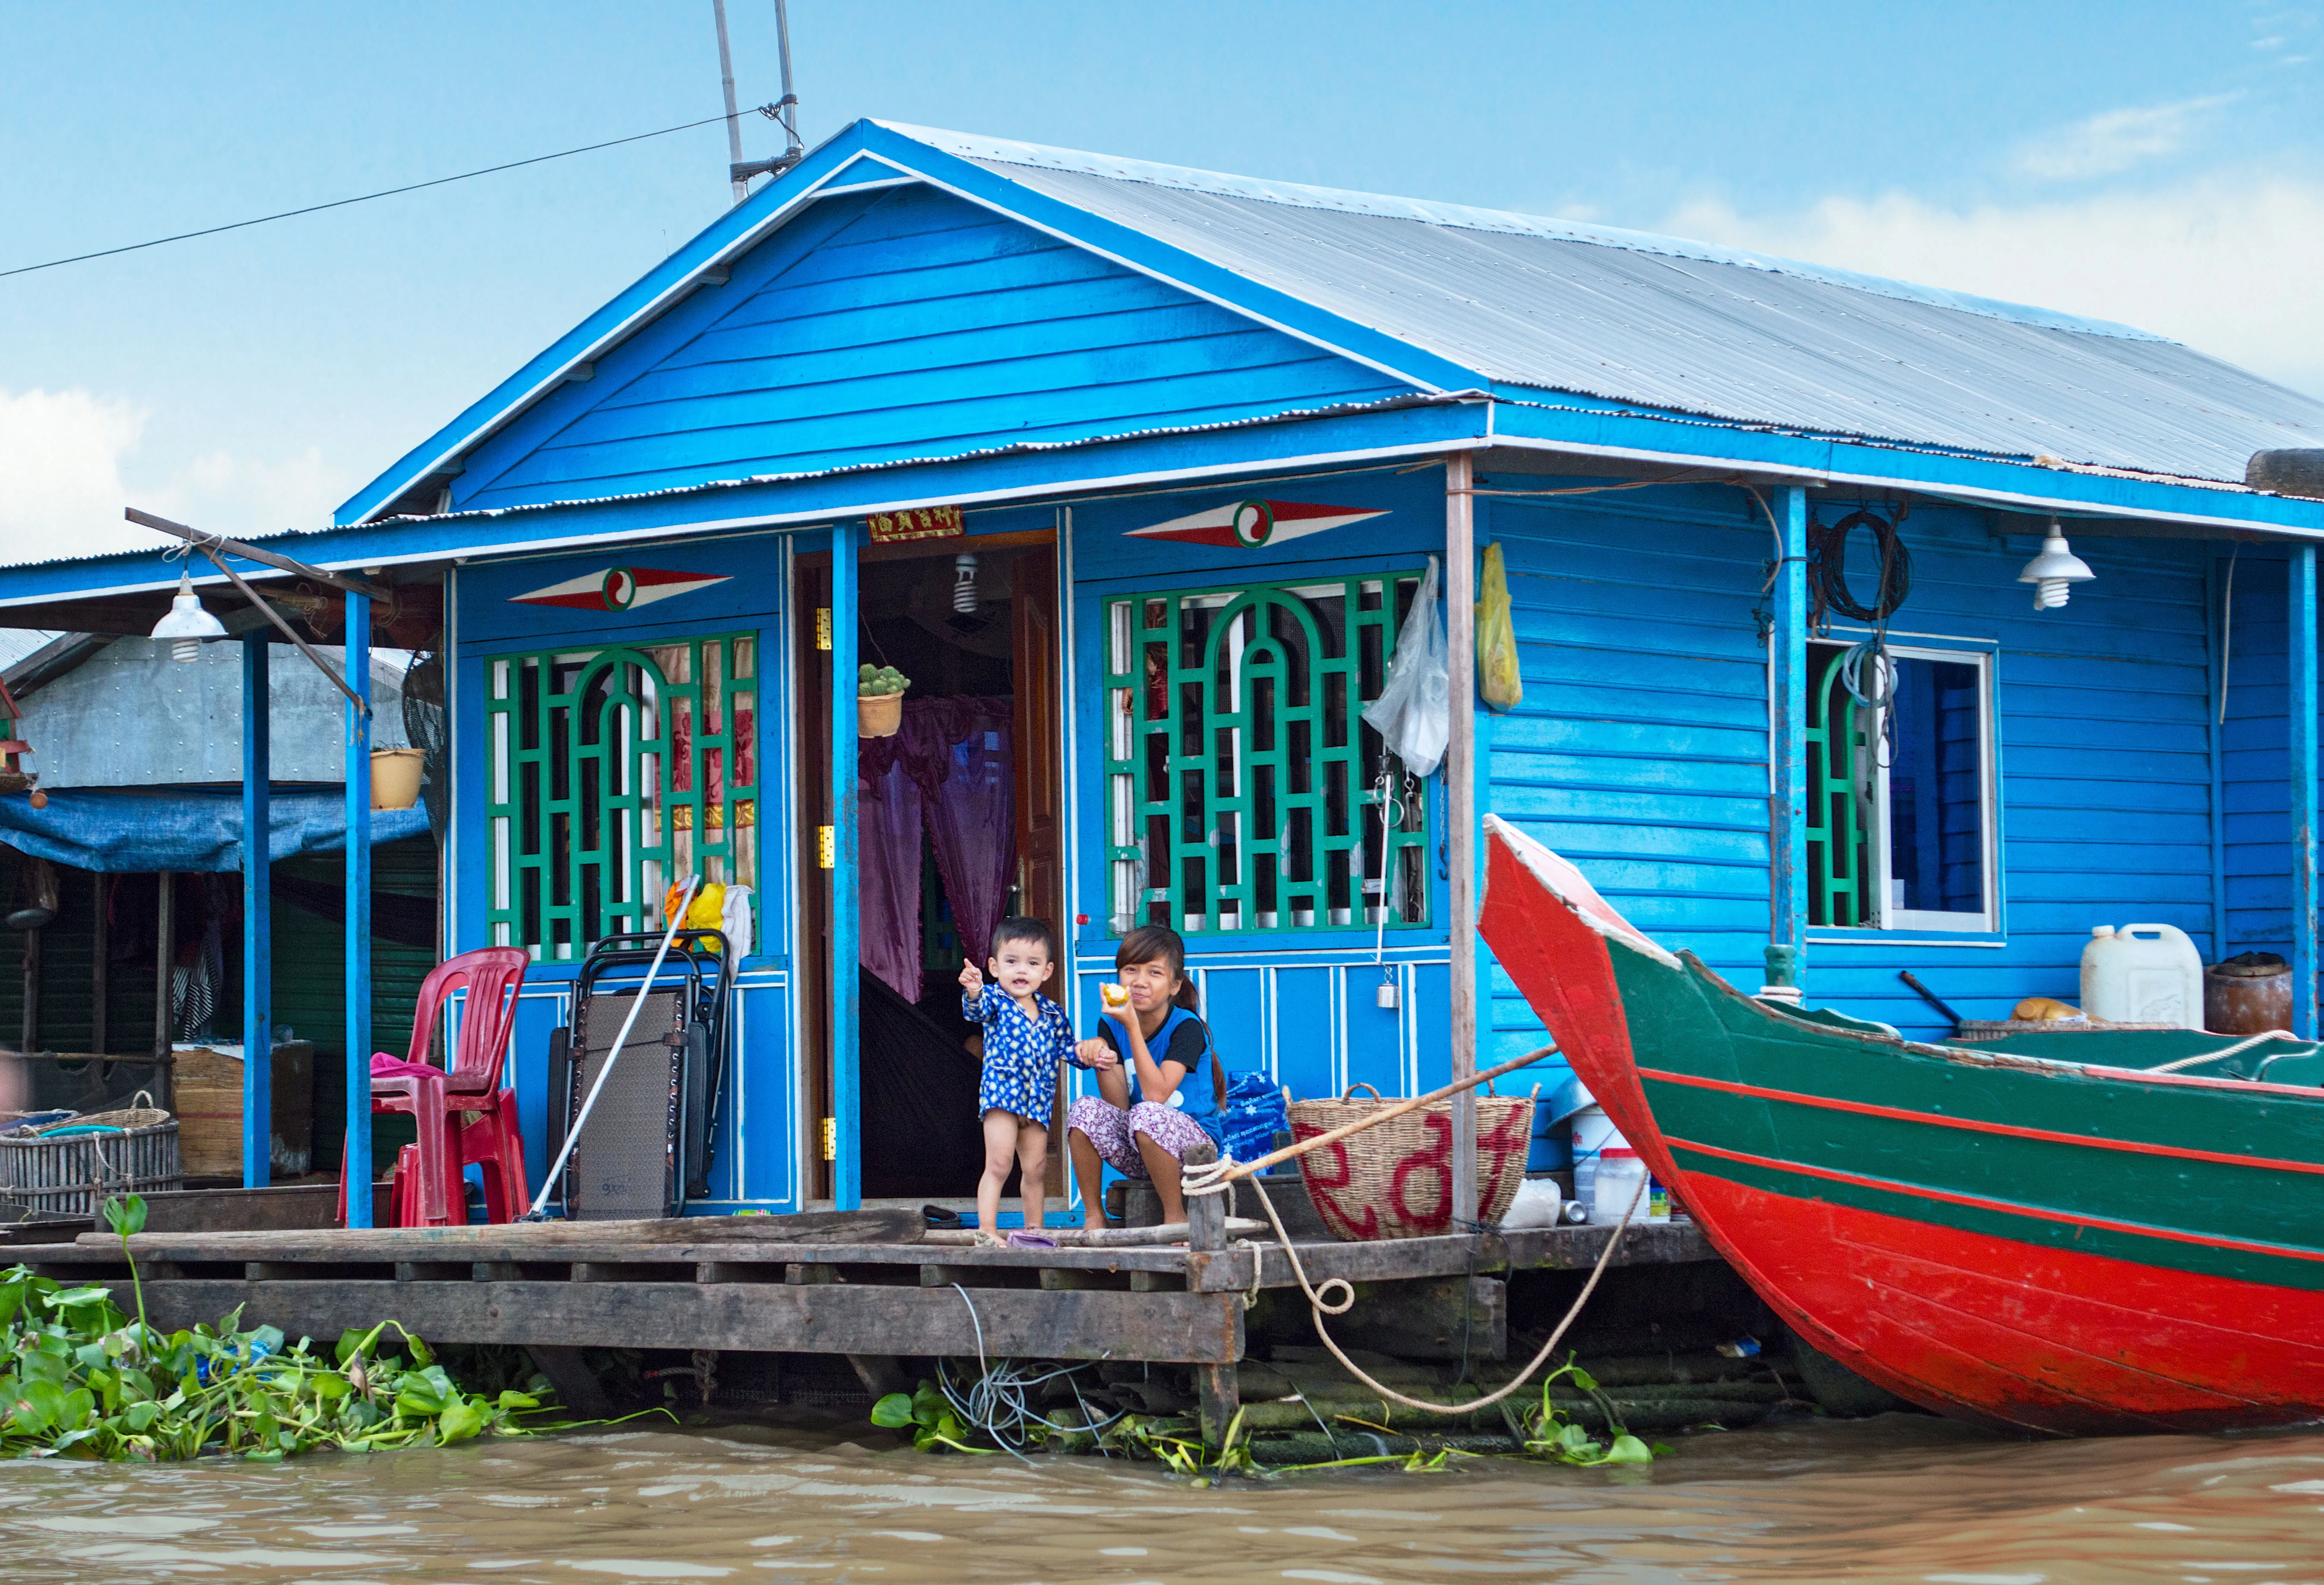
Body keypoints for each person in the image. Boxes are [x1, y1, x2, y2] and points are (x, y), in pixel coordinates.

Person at [1066, 924, 1224, 1230]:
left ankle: (1176, 1217)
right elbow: (1120, 1108)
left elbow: (1156, 1096)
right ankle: (1094, 1217)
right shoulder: (1111, 1023)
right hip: (1144, 1145)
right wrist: (1103, 1060)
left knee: (1149, 1113)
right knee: (1084, 1108)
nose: (1140, 982)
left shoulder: (1186, 1027)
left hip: (1196, 1153)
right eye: (1130, 970)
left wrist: (1132, 1028)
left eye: (1155, 973)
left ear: (1175, 985)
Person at [959, 917, 1089, 1246]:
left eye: (1032, 963)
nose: (1021, 971)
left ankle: (1035, 1231)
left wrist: (1092, 1055)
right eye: (1011, 961)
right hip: (1001, 1099)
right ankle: (987, 1230)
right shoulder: (995, 1000)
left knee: (1036, 1169)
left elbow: (1067, 1049)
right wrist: (973, 989)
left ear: (1046, 971)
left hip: (1038, 1103)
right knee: (1000, 1164)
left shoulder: (1053, 1013)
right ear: (994, 966)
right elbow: (975, 1011)